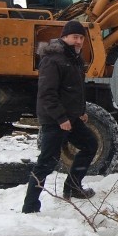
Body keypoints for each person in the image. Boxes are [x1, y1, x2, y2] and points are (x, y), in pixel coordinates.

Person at [22, 19, 98, 213]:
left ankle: (73, 186)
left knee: (90, 144)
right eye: (75, 37)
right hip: (55, 120)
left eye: (81, 37)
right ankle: (30, 207)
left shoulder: (74, 59)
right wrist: (61, 118)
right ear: (64, 37)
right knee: (46, 162)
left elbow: (75, 90)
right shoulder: (53, 59)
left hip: (71, 118)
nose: (79, 41)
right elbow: (47, 93)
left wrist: (80, 112)